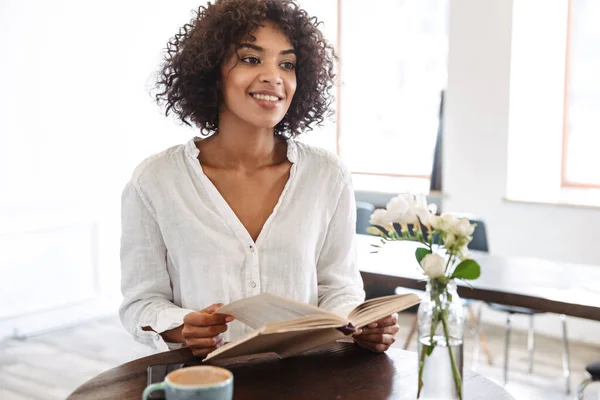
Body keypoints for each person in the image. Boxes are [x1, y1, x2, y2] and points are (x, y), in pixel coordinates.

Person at [119, 0, 399, 357]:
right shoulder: (156, 181)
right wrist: (180, 325)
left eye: (287, 64)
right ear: (212, 70)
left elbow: (338, 287)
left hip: (307, 381)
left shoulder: (327, 175)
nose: (274, 76)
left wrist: (359, 323)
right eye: (251, 59)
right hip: (205, 383)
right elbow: (140, 304)